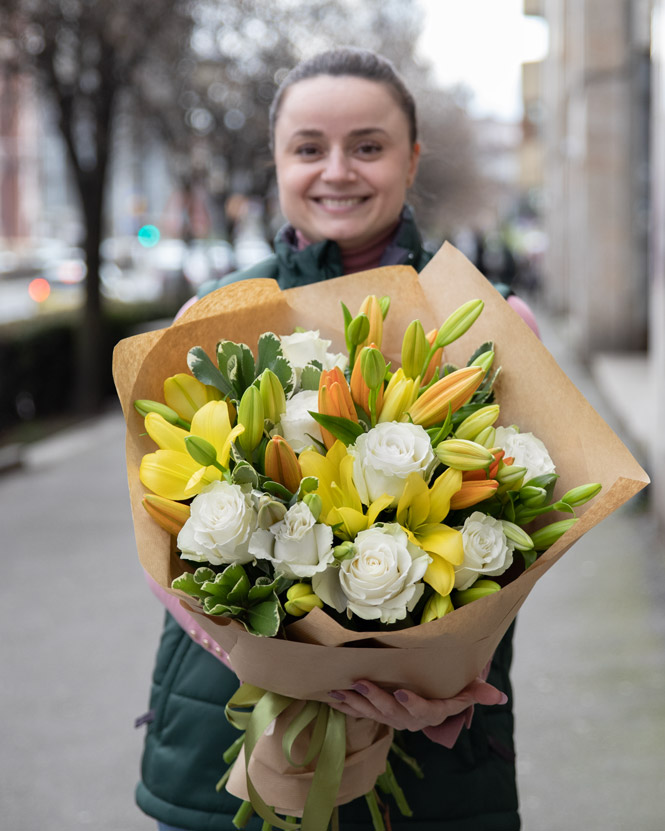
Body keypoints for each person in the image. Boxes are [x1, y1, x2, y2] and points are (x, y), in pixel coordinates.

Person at [136, 47, 536, 831]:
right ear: (277, 160)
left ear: (411, 157)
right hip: (225, 720)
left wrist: (443, 677)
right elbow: (161, 523)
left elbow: (519, 522)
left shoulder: (487, 319)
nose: (337, 171)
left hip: (434, 741)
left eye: (368, 145)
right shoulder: (216, 314)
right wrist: (263, 657)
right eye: (308, 147)